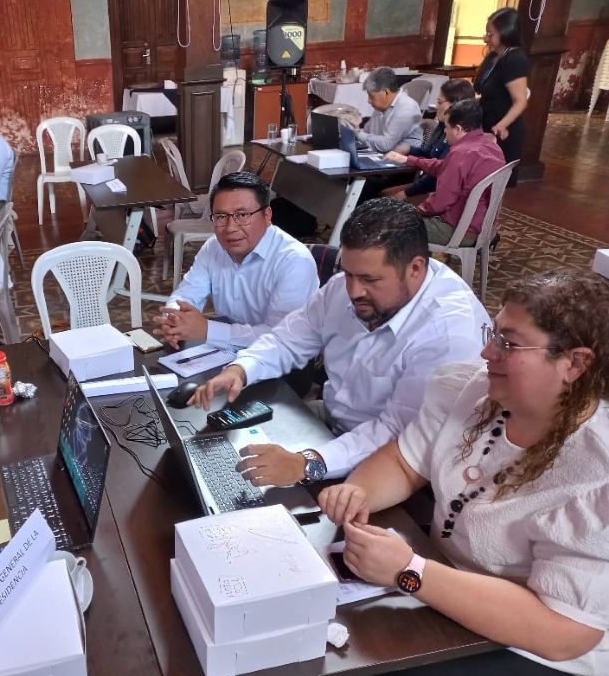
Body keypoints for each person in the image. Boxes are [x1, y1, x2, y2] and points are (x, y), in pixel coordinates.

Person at [317, 270, 609, 676]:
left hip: (571, 660)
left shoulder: (606, 474)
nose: (486, 352)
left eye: (508, 343)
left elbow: (564, 633)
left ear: (575, 363)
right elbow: (404, 461)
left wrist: (409, 573)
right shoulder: (475, 392)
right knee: (350, 637)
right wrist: (357, 491)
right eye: (492, 333)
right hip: (463, 590)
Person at [192, 198, 489, 485]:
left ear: (415, 268)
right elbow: (289, 338)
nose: (354, 291)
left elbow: (396, 434)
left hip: (396, 464)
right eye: (348, 274)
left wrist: (307, 462)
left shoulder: (448, 335)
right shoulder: (344, 288)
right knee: (216, 452)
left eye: (370, 280)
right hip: (333, 423)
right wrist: (242, 369)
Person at [152, 171, 318, 350]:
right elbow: (187, 295)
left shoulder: (294, 261)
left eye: (243, 215)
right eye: (221, 217)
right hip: (228, 349)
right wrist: (175, 319)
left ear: (267, 215)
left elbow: (281, 338)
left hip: (283, 357)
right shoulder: (214, 247)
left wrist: (208, 330)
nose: (230, 228)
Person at [385, 99, 505, 246]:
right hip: (483, 227)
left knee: (389, 223)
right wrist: (410, 160)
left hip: (458, 231)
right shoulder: (491, 147)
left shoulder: (461, 153)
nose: (444, 131)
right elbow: (445, 166)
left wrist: (416, 211)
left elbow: (440, 203)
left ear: (458, 129)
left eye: (447, 127)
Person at [382, 78, 476, 201]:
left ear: (456, 105)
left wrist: (407, 192)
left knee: (381, 194)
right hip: (425, 183)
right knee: (377, 185)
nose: (436, 107)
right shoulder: (442, 125)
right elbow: (430, 155)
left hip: (437, 193)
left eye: (440, 102)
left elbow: (439, 175)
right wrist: (409, 149)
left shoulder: (458, 135)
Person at [475, 6, 530, 186]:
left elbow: (520, 101)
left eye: (490, 34)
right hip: (486, 124)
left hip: (504, 130)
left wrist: (501, 125)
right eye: (486, 33)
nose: (486, 39)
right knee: (478, 180)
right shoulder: (492, 57)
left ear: (506, 32)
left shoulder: (515, 59)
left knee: (494, 185)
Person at [356, 67, 424, 154]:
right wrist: (354, 133)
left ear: (386, 92)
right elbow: (367, 132)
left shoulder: (407, 107)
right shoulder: (382, 105)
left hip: (405, 158)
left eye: (371, 96)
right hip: (384, 154)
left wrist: (357, 134)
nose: (369, 101)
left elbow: (386, 145)